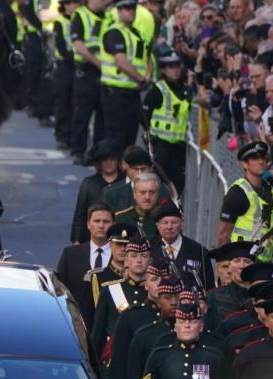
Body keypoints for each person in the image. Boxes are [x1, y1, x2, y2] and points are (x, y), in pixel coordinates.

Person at [217, 141, 273, 262]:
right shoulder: (238, 193)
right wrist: (224, 266)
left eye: (264, 158)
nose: (261, 161)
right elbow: (223, 235)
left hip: (265, 265)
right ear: (244, 164)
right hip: (240, 263)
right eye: (255, 158)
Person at [99, 0, 151, 151]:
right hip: (115, 93)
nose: (131, 11)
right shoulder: (114, 32)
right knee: (115, 137)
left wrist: (148, 76)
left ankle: (124, 171)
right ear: (118, 11)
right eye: (126, 8)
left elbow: (147, 58)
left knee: (130, 137)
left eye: (133, 8)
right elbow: (121, 62)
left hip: (133, 92)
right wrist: (142, 79)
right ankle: (112, 173)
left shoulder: (137, 34)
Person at [91, 234, 150, 361]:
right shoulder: (110, 290)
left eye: (144, 256)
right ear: (126, 261)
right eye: (133, 256)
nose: (139, 260)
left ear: (150, 261)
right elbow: (98, 332)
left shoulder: (155, 292)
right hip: (115, 356)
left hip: (146, 357)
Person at [57, 202, 114, 327]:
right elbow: (59, 290)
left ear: (113, 225)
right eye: (97, 221)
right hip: (77, 324)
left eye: (106, 222)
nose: (101, 225)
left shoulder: (121, 256)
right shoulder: (70, 254)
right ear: (88, 224)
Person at [143, 49, 189, 196]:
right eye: (170, 66)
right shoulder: (158, 89)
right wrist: (148, 137)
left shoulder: (185, 89)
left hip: (179, 146)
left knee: (178, 185)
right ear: (163, 69)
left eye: (177, 66)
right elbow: (144, 113)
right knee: (160, 183)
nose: (175, 70)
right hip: (161, 145)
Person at [70, 0, 110, 163]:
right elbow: (78, 44)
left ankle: (96, 153)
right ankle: (78, 151)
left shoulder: (108, 16)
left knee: (102, 115)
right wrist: (99, 63)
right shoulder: (80, 15)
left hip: (106, 73)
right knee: (82, 113)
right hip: (87, 71)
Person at [150, 201, 213, 290]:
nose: (169, 227)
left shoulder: (198, 251)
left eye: (174, 222)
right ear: (157, 225)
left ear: (182, 223)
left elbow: (209, 288)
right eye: (165, 222)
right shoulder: (149, 249)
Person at [70, 142, 122, 243]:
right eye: (104, 160)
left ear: (117, 161)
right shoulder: (89, 184)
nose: (108, 163)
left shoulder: (126, 182)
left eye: (112, 159)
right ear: (99, 163)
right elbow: (80, 214)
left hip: (120, 237)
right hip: (92, 238)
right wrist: (76, 240)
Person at [203, 241, 256, 333]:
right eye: (237, 261)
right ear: (230, 267)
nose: (242, 266)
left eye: (247, 261)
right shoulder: (212, 296)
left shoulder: (260, 297)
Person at [53, 0, 81, 149]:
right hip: (65, 65)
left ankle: (73, 136)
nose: (74, 6)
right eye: (71, 3)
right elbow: (60, 45)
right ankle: (62, 136)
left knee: (75, 103)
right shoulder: (60, 22)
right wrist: (72, 59)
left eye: (76, 3)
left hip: (79, 65)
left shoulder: (80, 20)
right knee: (63, 101)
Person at [91, 222, 139, 307]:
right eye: (118, 244)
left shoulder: (142, 276)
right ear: (110, 245)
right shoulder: (99, 277)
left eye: (127, 245)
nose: (123, 249)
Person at [114, 171, 165, 242]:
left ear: (158, 194)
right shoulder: (122, 218)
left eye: (152, 192)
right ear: (134, 194)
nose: (147, 197)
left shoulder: (166, 217)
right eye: (143, 192)